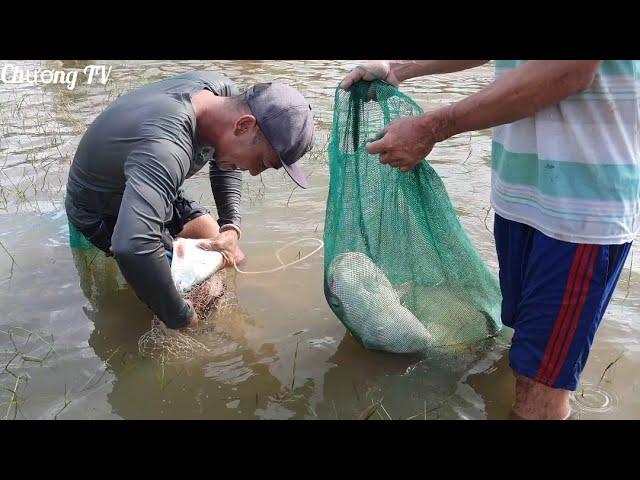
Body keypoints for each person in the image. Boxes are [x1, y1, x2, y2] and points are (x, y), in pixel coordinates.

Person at [340, 60, 639, 419]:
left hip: (579, 216)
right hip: (518, 202)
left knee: (539, 387)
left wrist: (432, 128)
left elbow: (569, 71)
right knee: (522, 352)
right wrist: (399, 68)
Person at [66, 71, 315, 331]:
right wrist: (181, 317)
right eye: (261, 162)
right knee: (205, 298)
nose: (253, 172)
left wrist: (231, 226)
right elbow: (132, 245)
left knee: (233, 255)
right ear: (243, 125)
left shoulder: (223, 97)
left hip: (151, 184)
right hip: (101, 206)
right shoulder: (166, 148)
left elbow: (225, 160)